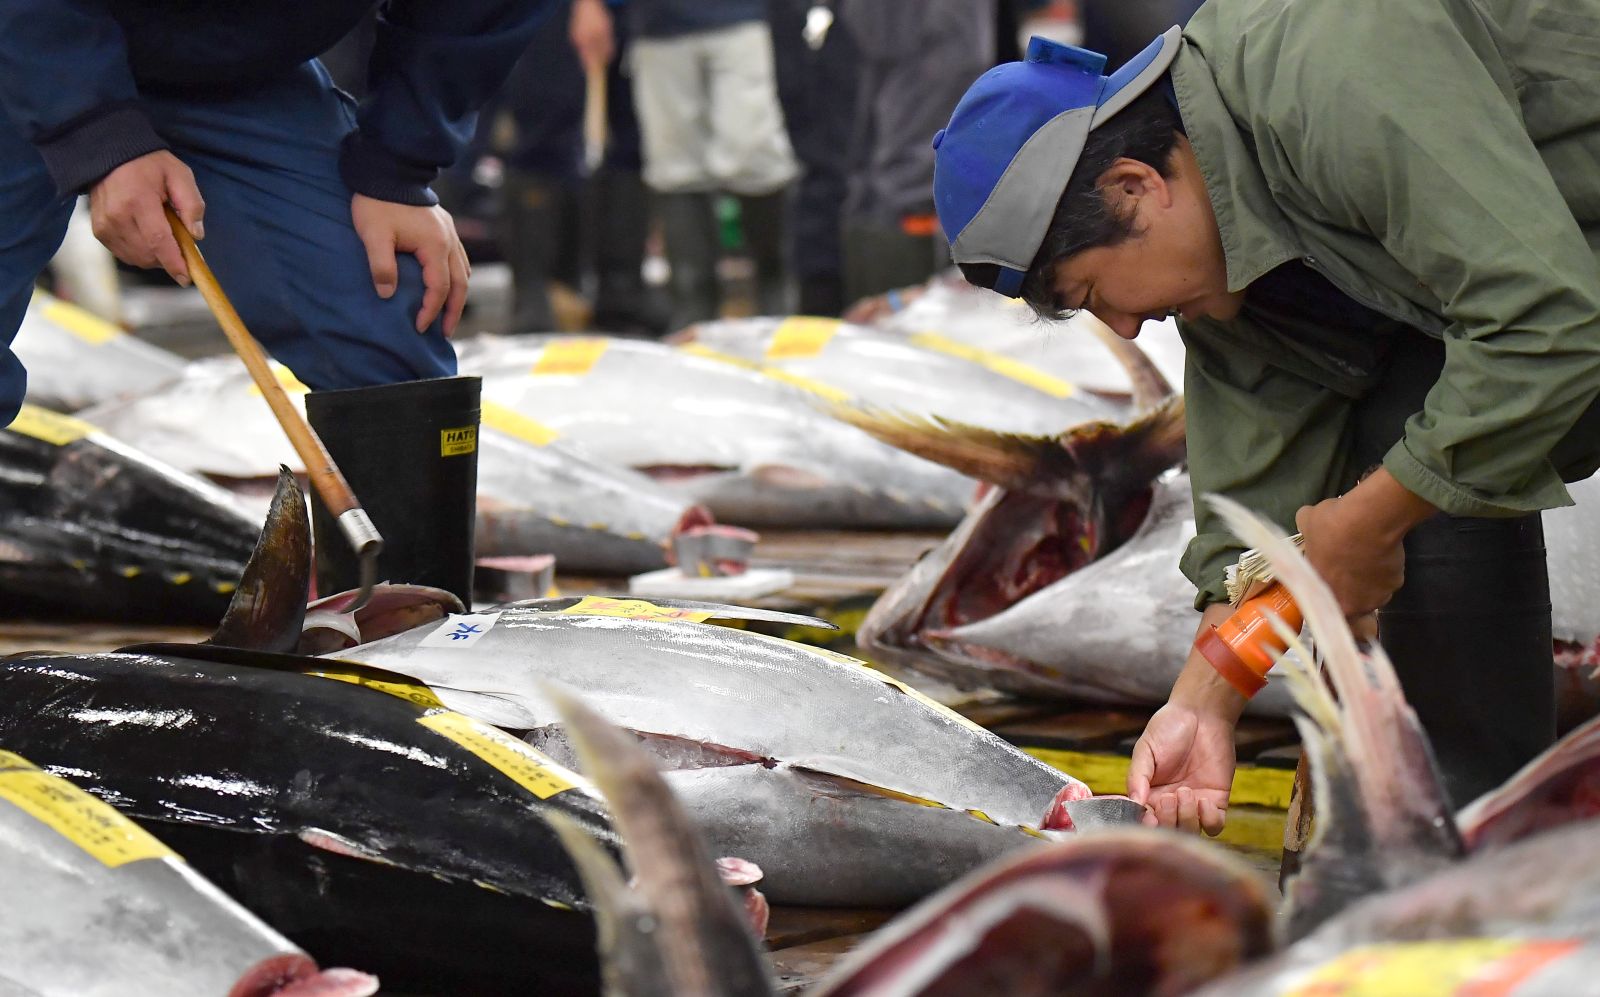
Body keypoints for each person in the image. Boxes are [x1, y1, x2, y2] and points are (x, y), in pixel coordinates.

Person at [928, 1, 1600, 832]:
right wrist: (1202, 704)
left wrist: (1371, 519)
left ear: (1135, 187)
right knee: (1406, 439)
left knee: (1412, 464)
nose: (1127, 328)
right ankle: (1469, 826)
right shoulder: (1223, 245)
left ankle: (1475, 812)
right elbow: (1258, 498)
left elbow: (1548, 324)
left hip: (1569, 281)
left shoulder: (1335, 64)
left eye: (1095, 293)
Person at [0, 1, 556, 602]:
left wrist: (400, 168)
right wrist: (99, 133)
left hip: (233, 74)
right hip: (24, 41)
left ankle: (403, 635)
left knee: (389, 297)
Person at [622, 0, 800, 327]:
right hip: (658, 24)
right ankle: (694, 304)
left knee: (753, 151)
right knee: (675, 165)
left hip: (739, 15)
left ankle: (774, 288)